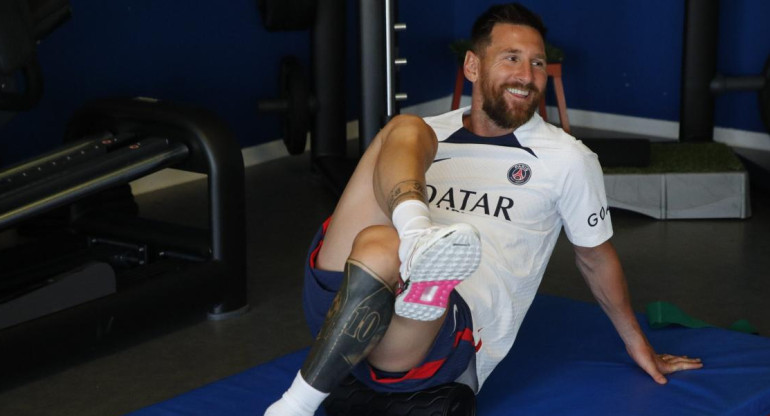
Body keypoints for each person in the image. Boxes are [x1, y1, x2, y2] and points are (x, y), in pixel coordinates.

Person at [265, 3, 703, 415]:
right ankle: (418, 236)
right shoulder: (425, 135)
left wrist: (637, 344)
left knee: (382, 246)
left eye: (536, 63)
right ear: (473, 66)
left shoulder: (567, 158)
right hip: (343, 288)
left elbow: (594, 257)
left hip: (431, 336)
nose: (527, 74)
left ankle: (296, 404)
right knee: (402, 133)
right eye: (511, 58)